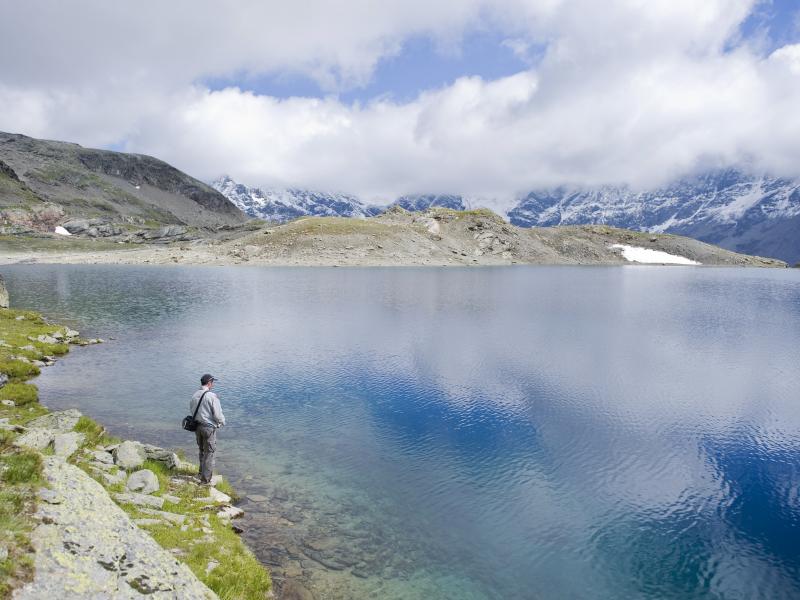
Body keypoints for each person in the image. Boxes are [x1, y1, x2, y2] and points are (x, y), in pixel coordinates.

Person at [190, 374, 226, 484]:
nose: (213, 384)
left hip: (197, 427)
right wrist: (222, 422)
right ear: (209, 383)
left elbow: (191, 409)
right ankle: (205, 481)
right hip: (208, 428)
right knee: (210, 453)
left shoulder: (195, 394)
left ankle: (201, 473)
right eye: (212, 382)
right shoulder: (211, 396)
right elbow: (218, 415)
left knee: (201, 450)